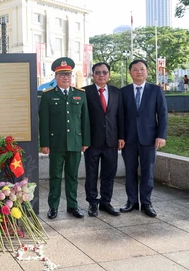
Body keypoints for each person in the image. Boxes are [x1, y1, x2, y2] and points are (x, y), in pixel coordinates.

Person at [39, 57, 90, 219]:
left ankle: (72, 206)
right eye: (61, 75)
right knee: (54, 176)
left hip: (75, 142)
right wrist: (44, 143)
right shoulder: (47, 96)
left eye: (68, 74)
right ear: (55, 77)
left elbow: (85, 120)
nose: (65, 77)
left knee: (72, 176)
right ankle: (53, 207)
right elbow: (44, 122)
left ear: (72, 76)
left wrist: (86, 141)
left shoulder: (80, 95)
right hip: (56, 143)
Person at [120, 59, 168, 217]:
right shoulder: (124, 91)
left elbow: (162, 114)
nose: (139, 72)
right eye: (135, 69)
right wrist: (120, 137)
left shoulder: (156, 90)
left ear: (147, 71)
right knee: (130, 171)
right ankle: (132, 202)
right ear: (130, 73)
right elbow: (120, 117)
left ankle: (146, 203)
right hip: (129, 139)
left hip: (149, 138)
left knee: (148, 172)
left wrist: (161, 135)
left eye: (142, 69)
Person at [83, 62, 125, 217]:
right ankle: (92, 203)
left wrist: (121, 136)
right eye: (98, 72)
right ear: (93, 75)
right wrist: (84, 140)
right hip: (92, 141)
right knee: (91, 174)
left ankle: (106, 202)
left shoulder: (116, 92)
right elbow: (82, 117)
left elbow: (120, 115)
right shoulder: (85, 91)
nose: (101, 75)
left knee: (109, 173)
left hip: (111, 141)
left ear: (109, 74)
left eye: (104, 72)